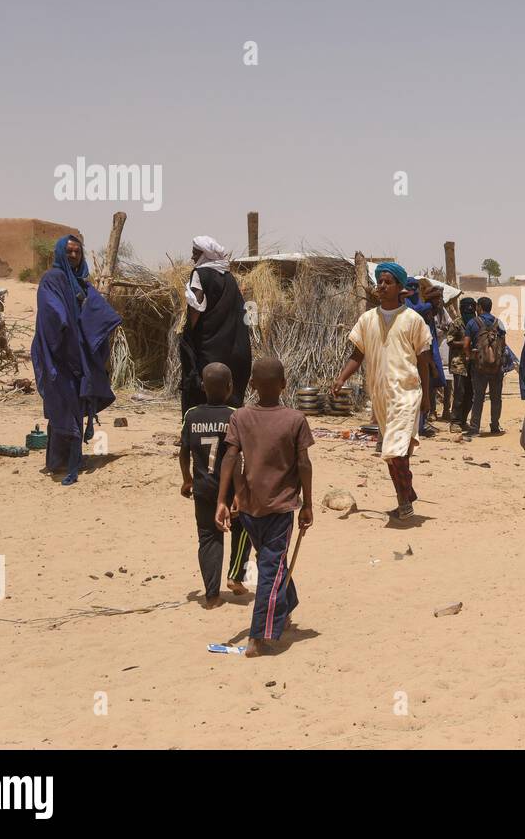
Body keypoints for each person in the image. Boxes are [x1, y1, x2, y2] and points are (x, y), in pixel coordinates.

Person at [216, 357, 314, 657]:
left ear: (252, 385)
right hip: (280, 509)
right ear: (284, 384)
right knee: (271, 569)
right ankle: (259, 635)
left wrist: (222, 499)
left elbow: (230, 458)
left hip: (249, 508)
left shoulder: (240, 417)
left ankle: (287, 603)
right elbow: (304, 464)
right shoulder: (295, 420)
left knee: (272, 562)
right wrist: (308, 504)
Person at [332, 262, 434, 519]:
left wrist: (427, 398)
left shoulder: (413, 320)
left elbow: (424, 362)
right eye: (380, 282)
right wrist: (341, 378)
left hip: (407, 393)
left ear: (400, 287)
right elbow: (357, 354)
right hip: (380, 396)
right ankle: (407, 492)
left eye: (388, 282)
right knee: (392, 454)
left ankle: (404, 501)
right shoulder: (367, 320)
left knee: (394, 448)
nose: (382, 286)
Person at [31, 235, 122, 485]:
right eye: (69, 252)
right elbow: (52, 312)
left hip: (77, 355)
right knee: (63, 405)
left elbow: (96, 309)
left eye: (77, 252)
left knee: (74, 405)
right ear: (60, 253)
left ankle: (68, 459)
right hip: (57, 354)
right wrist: (63, 325)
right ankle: (60, 462)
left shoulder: (81, 283)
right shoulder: (52, 279)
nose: (73, 256)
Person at [179, 362, 251, 608]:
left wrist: (187, 479)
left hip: (202, 488)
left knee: (208, 538)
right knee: (243, 529)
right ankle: (236, 575)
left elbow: (184, 452)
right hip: (230, 488)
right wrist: (240, 491)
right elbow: (239, 456)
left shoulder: (192, 414)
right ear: (230, 387)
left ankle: (211, 596)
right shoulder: (236, 414)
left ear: (202, 386)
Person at [179, 236, 251, 413]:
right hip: (233, 348)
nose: (193, 258)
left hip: (208, 348)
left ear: (205, 255)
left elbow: (196, 307)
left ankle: (195, 430)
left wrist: (188, 335)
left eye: (196, 254)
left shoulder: (199, 275)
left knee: (201, 387)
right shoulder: (229, 278)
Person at [404, 277, 445, 436]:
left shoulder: (422, 306)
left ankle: (421, 424)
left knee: (425, 388)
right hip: (411, 354)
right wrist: (430, 304)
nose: (413, 290)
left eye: (416, 287)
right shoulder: (405, 305)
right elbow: (414, 312)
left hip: (426, 351)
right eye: (410, 287)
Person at [462, 296, 507, 437]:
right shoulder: (499, 323)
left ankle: (475, 427)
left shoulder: (472, 323)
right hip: (496, 367)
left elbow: (465, 345)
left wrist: (471, 356)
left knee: (478, 397)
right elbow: (503, 345)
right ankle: (494, 426)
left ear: (479, 307)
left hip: (479, 366)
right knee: (496, 397)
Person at [445, 297, 477, 427]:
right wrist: (465, 344)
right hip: (459, 363)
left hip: (473, 363)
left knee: (470, 394)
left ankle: (463, 420)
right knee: (459, 392)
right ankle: (455, 421)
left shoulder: (476, 323)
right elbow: (450, 341)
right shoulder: (457, 323)